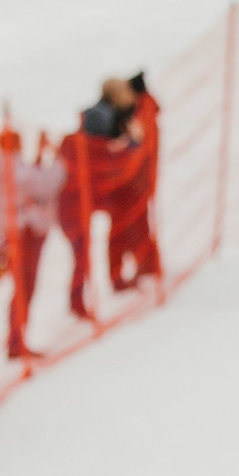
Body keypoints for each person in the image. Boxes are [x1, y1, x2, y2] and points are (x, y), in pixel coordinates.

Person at [59, 74, 162, 317]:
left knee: (118, 229)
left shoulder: (111, 117)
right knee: (83, 249)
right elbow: (110, 159)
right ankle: (79, 301)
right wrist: (133, 144)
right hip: (82, 194)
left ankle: (116, 278)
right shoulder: (103, 119)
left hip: (100, 191)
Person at [0, 126, 65, 358]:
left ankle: (17, 339)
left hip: (18, 231)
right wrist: (58, 159)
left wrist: (39, 154)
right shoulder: (12, 167)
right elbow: (44, 183)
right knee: (24, 285)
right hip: (24, 233)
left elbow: (30, 179)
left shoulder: (6, 166)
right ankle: (16, 341)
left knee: (23, 286)